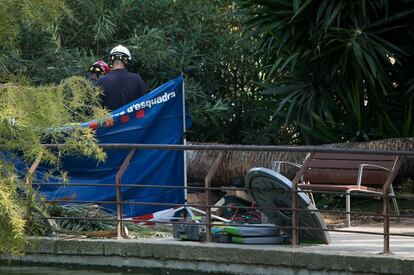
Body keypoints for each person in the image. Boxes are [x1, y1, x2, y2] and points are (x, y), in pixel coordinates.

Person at [96, 45, 147, 111]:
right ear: (126, 61)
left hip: (110, 121)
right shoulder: (137, 79)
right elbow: (145, 104)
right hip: (133, 120)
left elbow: (96, 110)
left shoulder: (101, 81)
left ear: (111, 60)